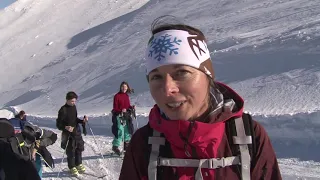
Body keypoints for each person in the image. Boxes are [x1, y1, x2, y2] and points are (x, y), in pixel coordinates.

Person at [119, 16, 282, 180]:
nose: (168, 90)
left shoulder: (249, 137)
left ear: (207, 76)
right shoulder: (142, 145)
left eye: (182, 73)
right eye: (156, 77)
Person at [56, 91, 88, 176]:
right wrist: (66, 127)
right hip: (68, 133)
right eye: (72, 101)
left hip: (76, 131)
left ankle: (78, 164)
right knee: (70, 150)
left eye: (74, 101)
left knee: (79, 148)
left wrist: (82, 121)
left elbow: (75, 119)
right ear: (67, 100)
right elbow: (58, 124)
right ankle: (72, 166)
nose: (73, 103)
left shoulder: (74, 107)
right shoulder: (63, 110)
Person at [111, 81, 135, 155]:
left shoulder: (126, 96)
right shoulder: (117, 96)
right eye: (122, 86)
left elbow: (127, 106)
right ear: (120, 87)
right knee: (120, 130)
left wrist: (131, 107)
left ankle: (126, 147)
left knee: (127, 130)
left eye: (125, 87)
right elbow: (115, 107)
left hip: (126, 115)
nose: (124, 88)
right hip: (118, 115)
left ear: (127, 87)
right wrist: (121, 110)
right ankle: (115, 146)